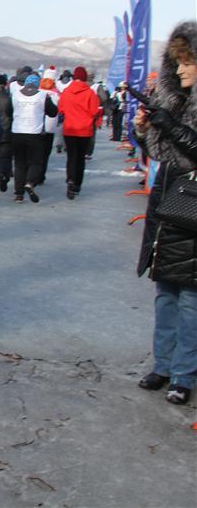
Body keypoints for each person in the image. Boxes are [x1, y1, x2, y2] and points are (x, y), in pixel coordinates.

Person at [133, 20, 197, 405]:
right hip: (167, 203)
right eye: (176, 63)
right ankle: (162, 365)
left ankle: (183, 373)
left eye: (188, 62)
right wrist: (146, 130)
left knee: (191, 297)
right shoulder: (173, 100)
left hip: (192, 208)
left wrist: (169, 124)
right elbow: (161, 154)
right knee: (165, 292)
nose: (180, 70)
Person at [10, 73, 58, 202]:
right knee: (36, 162)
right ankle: (30, 183)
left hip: (17, 132)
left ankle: (19, 194)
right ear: (38, 84)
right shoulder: (42, 95)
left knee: (20, 163)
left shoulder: (15, 94)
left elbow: (9, 112)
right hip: (35, 133)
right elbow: (53, 112)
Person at [57, 66, 101, 199]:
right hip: (84, 130)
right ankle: (77, 184)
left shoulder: (66, 92)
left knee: (71, 157)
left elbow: (61, 109)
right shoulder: (90, 93)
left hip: (70, 129)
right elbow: (95, 111)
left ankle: (70, 179)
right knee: (80, 158)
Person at [38, 67, 61, 185]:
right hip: (50, 128)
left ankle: (34, 174)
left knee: (37, 153)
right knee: (45, 153)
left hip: (37, 127)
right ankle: (41, 175)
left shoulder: (37, 93)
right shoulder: (57, 95)